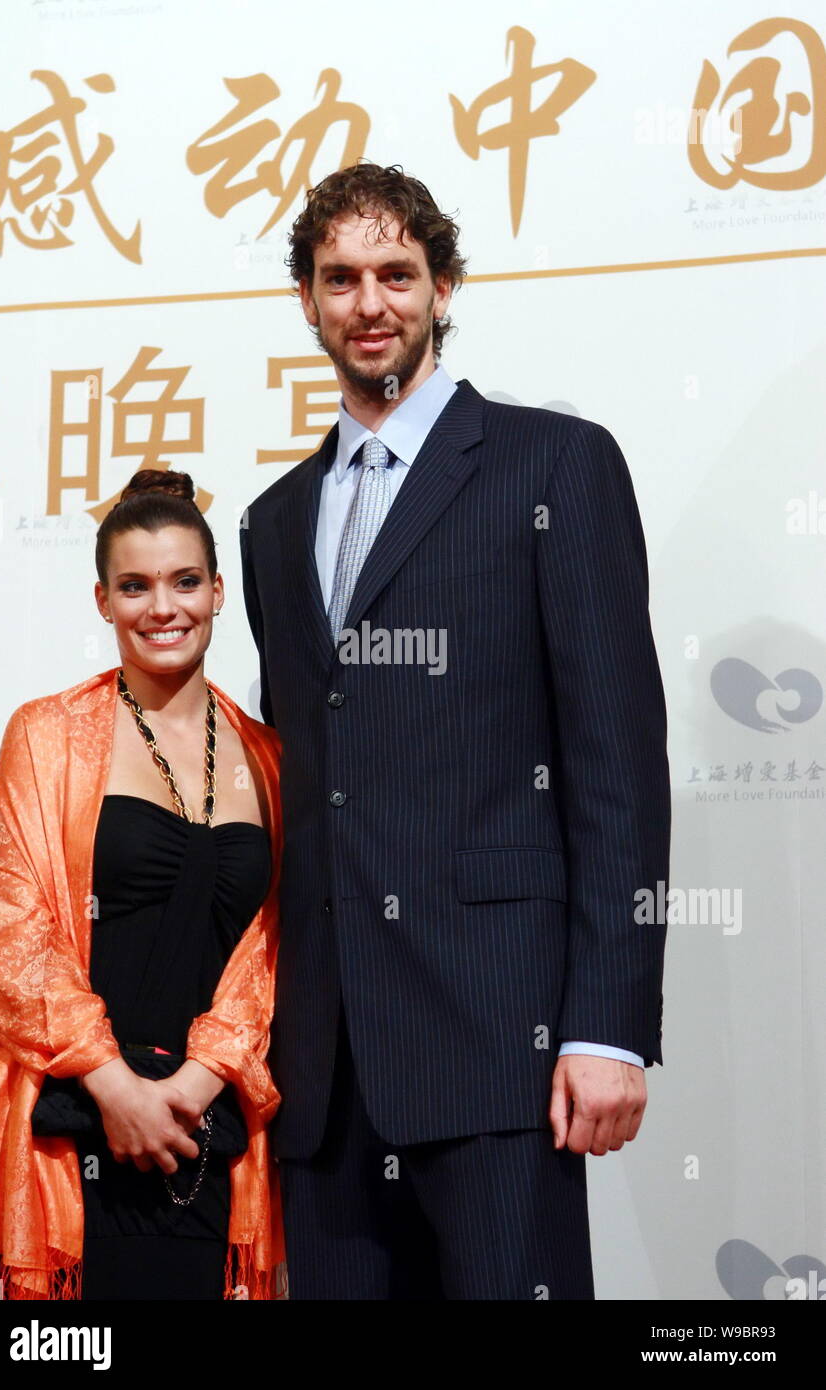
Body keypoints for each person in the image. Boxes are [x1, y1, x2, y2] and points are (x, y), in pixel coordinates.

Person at [239, 161, 671, 1299]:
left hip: (500, 1042)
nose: (367, 303)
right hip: (326, 1074)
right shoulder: (274, 521)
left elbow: (616, 766)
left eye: (395, 273)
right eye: (340, 278)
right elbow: (307, 781)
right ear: (307, 300)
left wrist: (608, 1028)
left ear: (443, 287)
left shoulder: (552, 465)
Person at [0, 470, 285, 1300]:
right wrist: (116, 1089)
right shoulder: (46, 734)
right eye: (134, 586)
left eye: (184, 582)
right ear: (103, 601)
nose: (162, 608)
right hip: (67, 1127)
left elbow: (275, 952)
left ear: (218, 592)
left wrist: (190, 1085)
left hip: (204, 1133)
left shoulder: (271, 757)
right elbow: (15, 931)